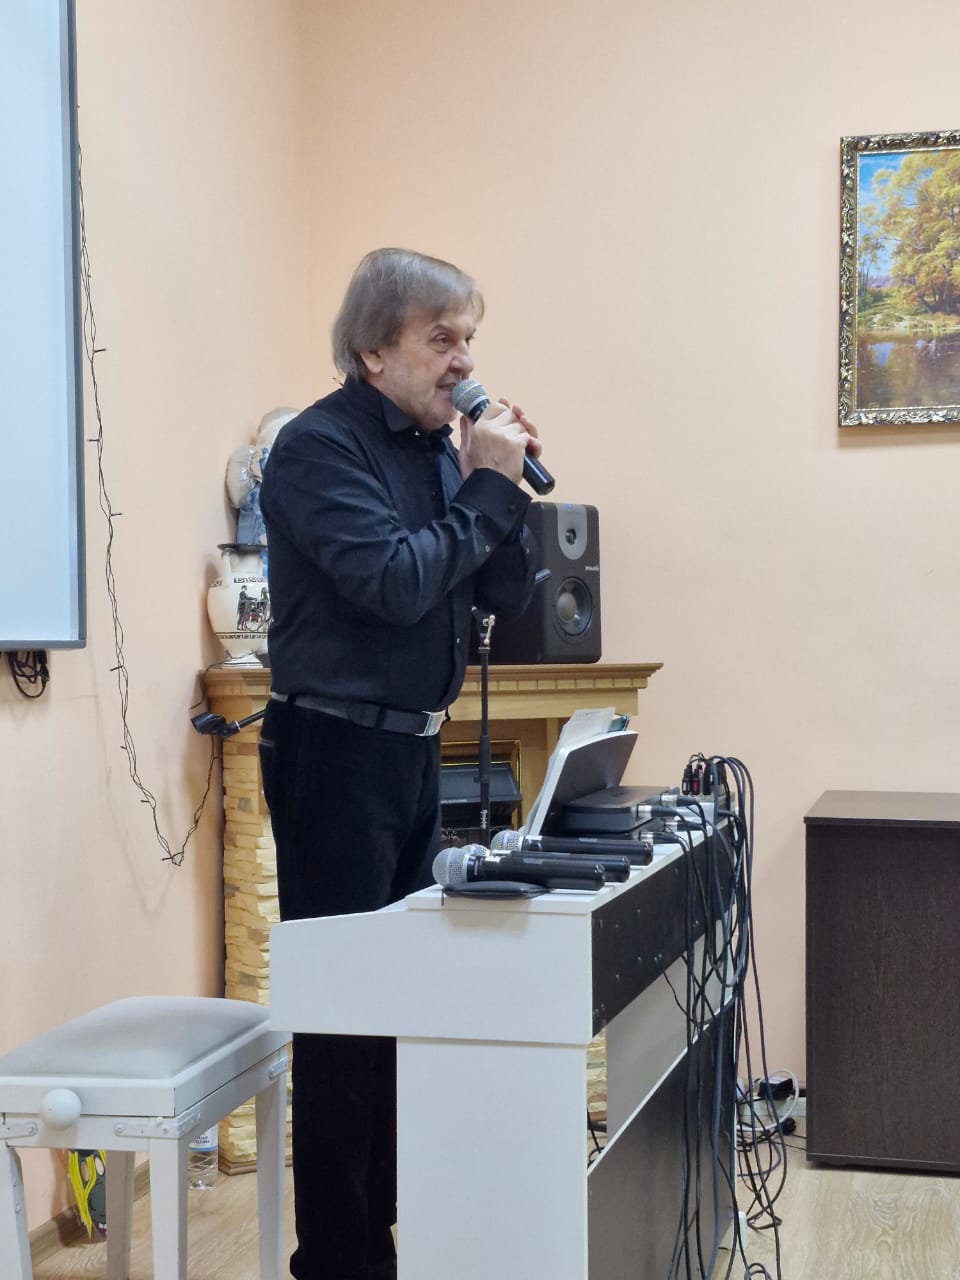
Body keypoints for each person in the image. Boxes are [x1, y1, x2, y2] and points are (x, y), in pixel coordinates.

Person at [258, 247, 541, 1280]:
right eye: (442, 339)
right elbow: (390, 581)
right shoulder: (314, 448)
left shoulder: (439, 450)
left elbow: (499, 590)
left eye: (469, 339)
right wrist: (483, 491)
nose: (463, 361)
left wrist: (502, 488)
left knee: (400, 1008)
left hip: (411, 751)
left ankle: (383, 1233)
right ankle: (336, 1259)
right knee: (344, 1016)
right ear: (375, 350)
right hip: (332, 751)